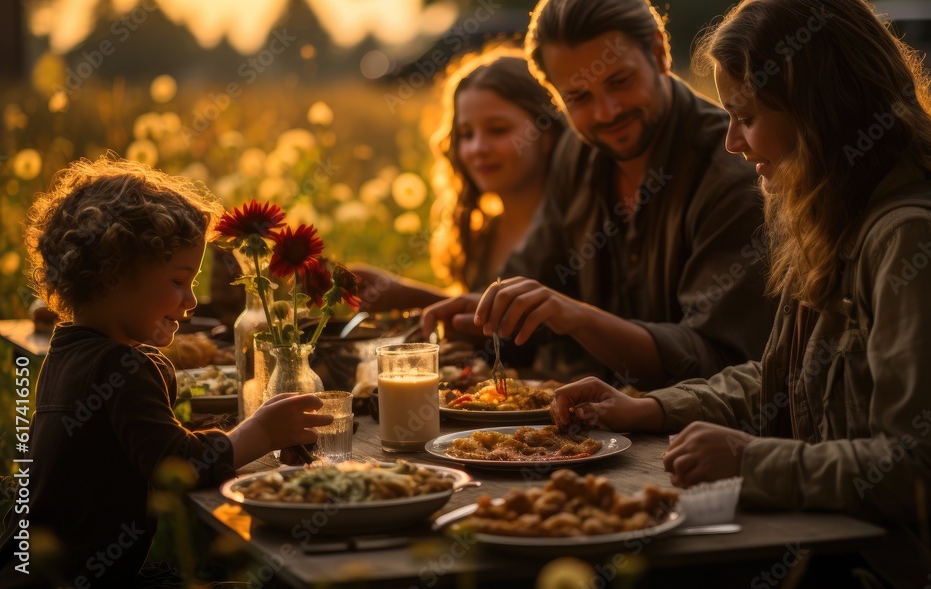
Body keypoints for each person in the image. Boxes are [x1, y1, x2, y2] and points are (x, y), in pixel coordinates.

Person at [550, 0, 931, 586]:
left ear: (821, 107)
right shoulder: (832, 216)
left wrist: (748, 459)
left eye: (747, 117)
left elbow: (923, 465)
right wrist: (649, 408)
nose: (734, 141)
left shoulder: (910, 238)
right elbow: (783, 380)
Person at [422, 0, 775, 389]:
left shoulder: (735, 173)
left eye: (619, 82)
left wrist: (574, 315)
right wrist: (479, 313)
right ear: (553, 94)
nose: (606, 112)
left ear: (659, 52)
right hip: (588, 430)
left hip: (693, 441)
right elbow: (533, 286)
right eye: (579, 97)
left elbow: (720, 363)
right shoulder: (578, 152)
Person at [0, 155, 331, 588]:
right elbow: (176, 465)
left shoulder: (67, 350)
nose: (191, 301)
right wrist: (262, 434)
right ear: (113, 275)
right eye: (178, 281)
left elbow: (149, 440)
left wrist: (241, 435)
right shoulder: (119, 366)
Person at [354, 47, 565, 311]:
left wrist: (412, 298)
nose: (478, 148)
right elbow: (480, 330)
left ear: (547, 134)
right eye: (466, 134)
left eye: (498, 130)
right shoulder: (483, 234)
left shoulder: (569, 230)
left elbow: (533, 334)